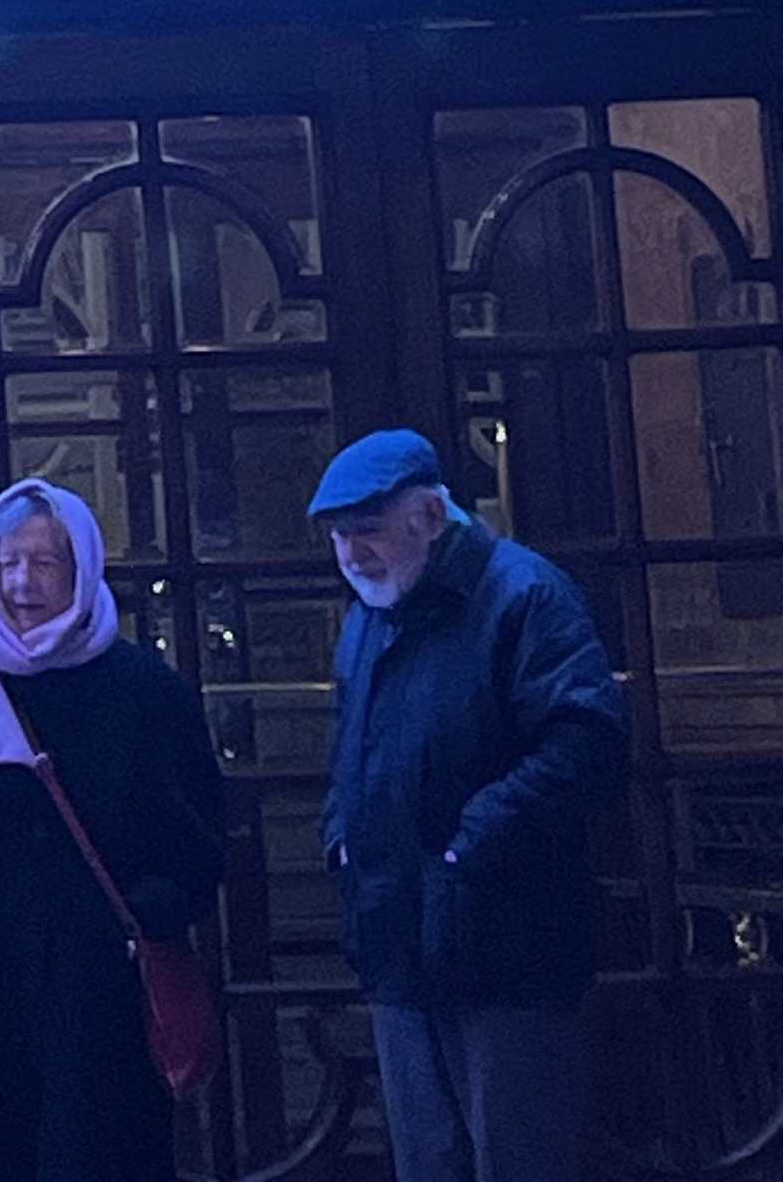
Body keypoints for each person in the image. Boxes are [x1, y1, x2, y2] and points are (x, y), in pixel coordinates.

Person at [0, 477, 227, 1182]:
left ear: (84, 568)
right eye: (6, 561)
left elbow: (195, 831)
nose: (21, 581)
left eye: (44, 562)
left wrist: (145, 917)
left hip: (100, 987)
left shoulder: (142, 688)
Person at [311, 429, 628, 1182]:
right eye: (339, 538)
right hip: (400, 941)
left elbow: (585, 746)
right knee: (430, 1162)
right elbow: (351, 759)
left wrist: (468, 849)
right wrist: (343, 843)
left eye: (368, 532)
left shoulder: (524, 595)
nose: (353, 555)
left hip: (504, 946)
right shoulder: (370, 618)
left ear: (427, 514)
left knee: (517, 1161)